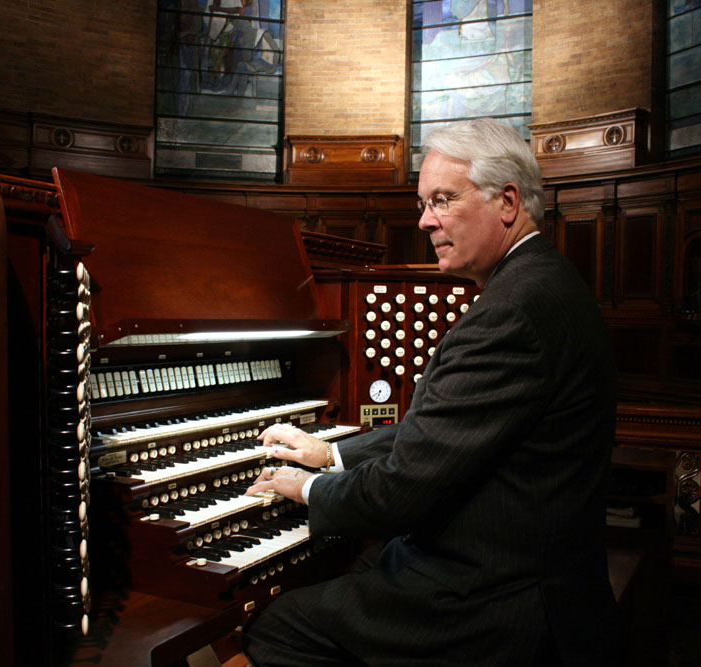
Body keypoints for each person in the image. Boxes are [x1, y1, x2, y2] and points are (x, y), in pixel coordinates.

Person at [243, 117, 621, 666]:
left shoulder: (510, 314)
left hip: (495, 597)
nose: (425, 221)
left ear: (508, 202)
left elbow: (399, 493)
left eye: (442, 200)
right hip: (530, 564)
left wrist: (307, 489)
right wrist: (333, 452)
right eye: (424, 203)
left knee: (277, 628)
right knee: (362, 568)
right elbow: (445, 431)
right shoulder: (545, 280)